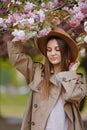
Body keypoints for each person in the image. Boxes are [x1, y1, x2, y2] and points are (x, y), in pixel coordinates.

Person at [7, 27, 86, 130]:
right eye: (49, 50)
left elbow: (73, 96)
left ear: (65, 51)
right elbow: (16, 58)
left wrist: (70, 74)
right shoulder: (37, 72)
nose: (52, 53)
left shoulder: (77, 78)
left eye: (57, 49)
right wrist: (21, 32)